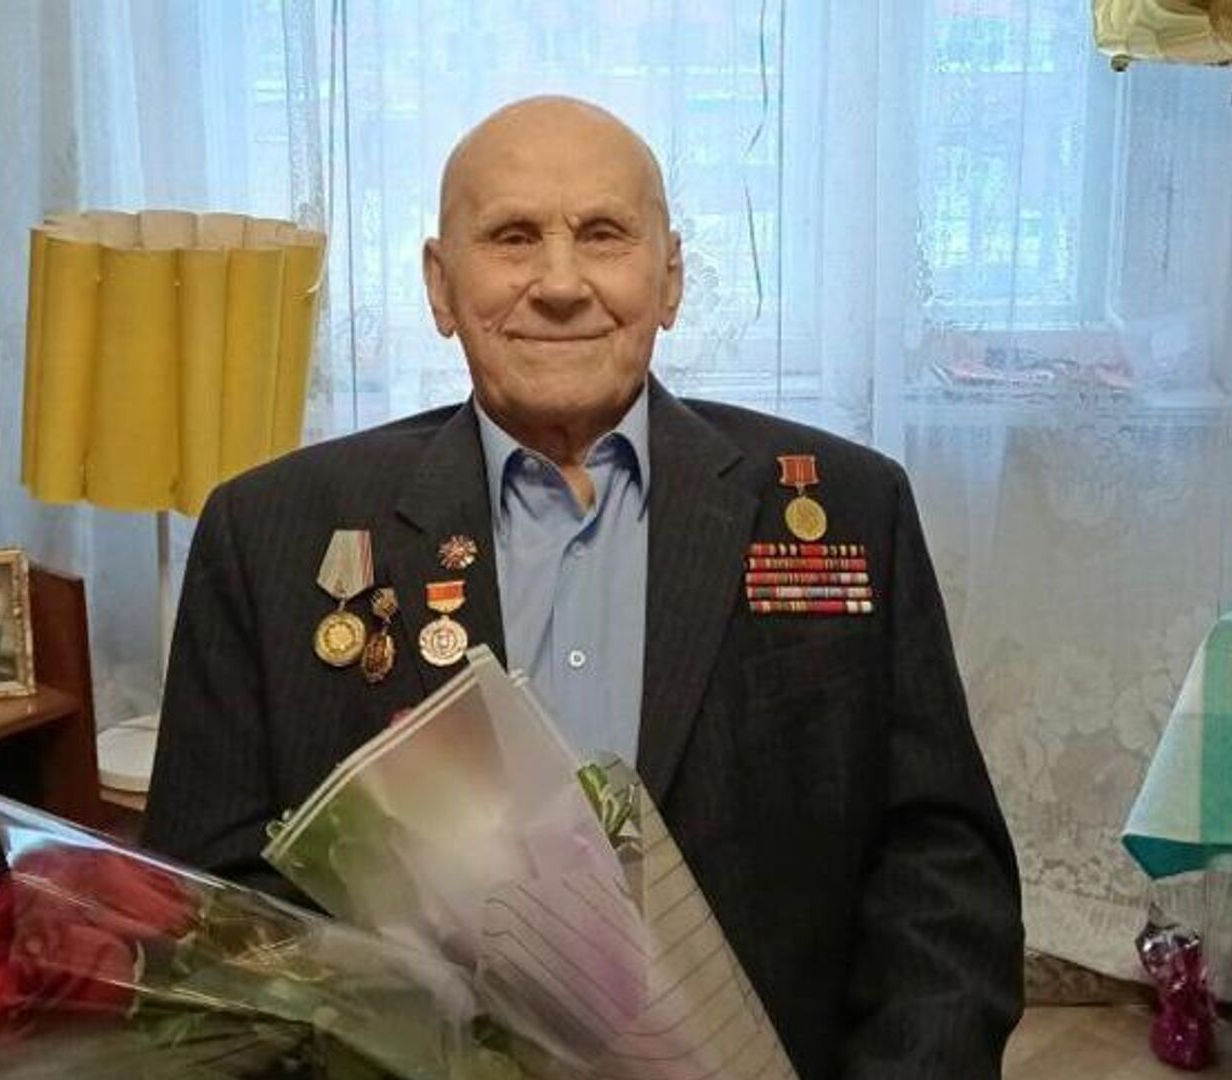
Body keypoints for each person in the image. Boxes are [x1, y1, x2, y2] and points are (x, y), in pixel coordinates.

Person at [143, 96, 1023, 1079]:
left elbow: (940, 879)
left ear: (670, 277)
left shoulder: (850, 507)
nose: (560, 284)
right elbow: (210, 913)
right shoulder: (269, 534)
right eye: (512, 237)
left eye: (603, 234)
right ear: (440, 285)